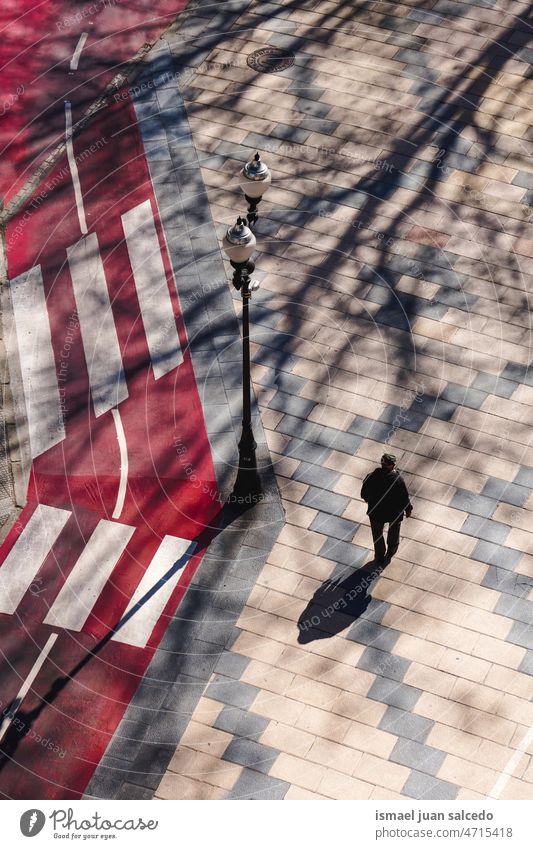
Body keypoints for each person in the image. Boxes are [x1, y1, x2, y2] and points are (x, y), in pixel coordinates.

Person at [361, 453, 412, 564]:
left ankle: (379, 555)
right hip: (394, 512)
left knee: (377, 534)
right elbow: (404, 497)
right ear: (392, 465)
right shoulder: (398, 479)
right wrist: (408, 509)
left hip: (376, 512)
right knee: (394, 530)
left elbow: (364, 494)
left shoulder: (371, 476)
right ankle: (391, 550)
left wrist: (369, 500)